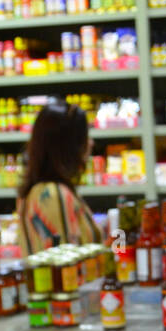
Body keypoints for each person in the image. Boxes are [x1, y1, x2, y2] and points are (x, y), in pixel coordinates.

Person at [16, 99, 103, 253]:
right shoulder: (53, 195)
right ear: (69, 145)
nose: (91, 143)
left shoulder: (45, 191)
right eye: (85, 136)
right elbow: (67, 264)